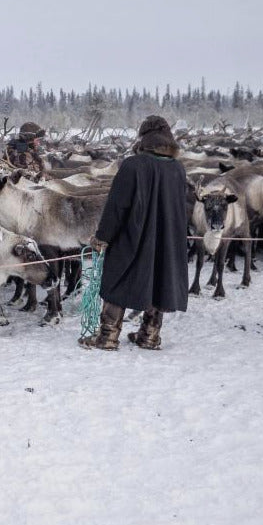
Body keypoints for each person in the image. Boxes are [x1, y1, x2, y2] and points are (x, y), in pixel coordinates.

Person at [79, 115, 188, 351]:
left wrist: (103, 236)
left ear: (143, 137)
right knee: (160, 280)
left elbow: (117, 207)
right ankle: (149, 335)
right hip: (167, 239)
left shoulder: (133, 165)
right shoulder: (178, 168)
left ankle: (107, 337)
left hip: (134, 236)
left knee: (118, 278)